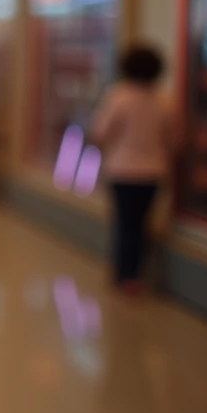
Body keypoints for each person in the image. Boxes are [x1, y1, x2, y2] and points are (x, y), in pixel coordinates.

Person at [90, 44, 173, 294]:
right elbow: (175, 139)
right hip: (154, 171)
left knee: (125, 223)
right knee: (141, 223)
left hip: (122, 170)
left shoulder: (119, 97)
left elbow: (100, 132)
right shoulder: (165, 100)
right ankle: (135, 274)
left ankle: (124, 274)